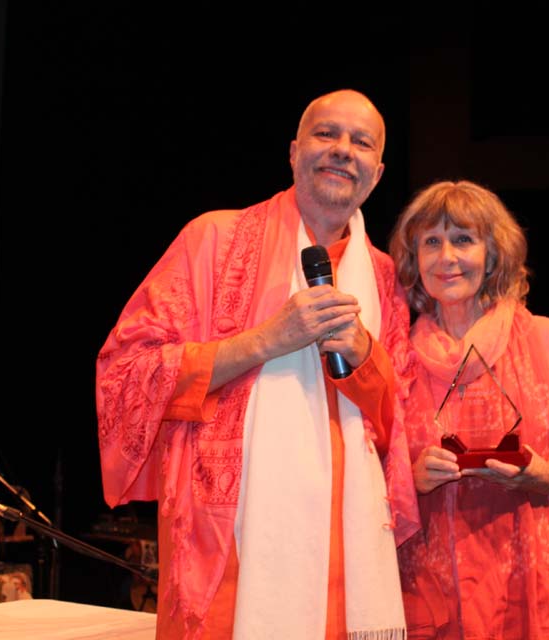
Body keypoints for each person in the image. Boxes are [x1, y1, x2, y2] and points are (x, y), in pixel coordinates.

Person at [95, 89, 419, 639]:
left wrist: (366, 359)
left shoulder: (384, 277)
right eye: (326, 134)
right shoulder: (213, 239)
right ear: (293, 152)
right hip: (231, 549)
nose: (343, 150)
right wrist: (267, 340)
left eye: (361, 142)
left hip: (350, 555)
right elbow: (126, 372)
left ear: (378, 173)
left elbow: (400, 423)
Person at [388, 180, 549, 639]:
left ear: (493, 254)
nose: (446, 257)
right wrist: (412, 479)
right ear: (414, 260)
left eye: (463, 239)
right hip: (437, 603)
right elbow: (366, 479)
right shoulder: (396, 357)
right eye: (431, 242)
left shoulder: (546, 339)